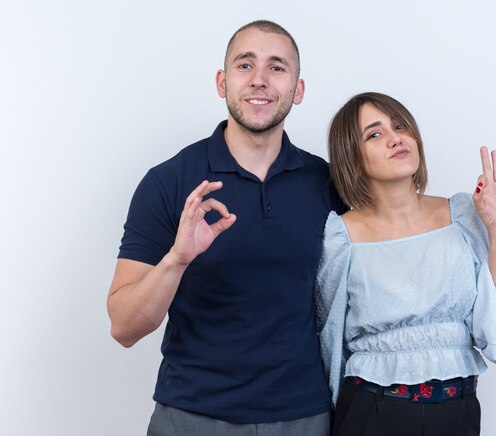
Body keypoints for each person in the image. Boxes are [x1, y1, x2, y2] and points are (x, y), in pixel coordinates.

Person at [107, 20, 344, 435]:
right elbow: (124, 327)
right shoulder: (169, 181)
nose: (259, 80)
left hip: (303, 417)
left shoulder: (326, 182)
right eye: (244, 65)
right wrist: (177, 259)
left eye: (276, 67)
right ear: (222, 82)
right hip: (190, 416)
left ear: (298, 89)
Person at [315, 92, 496, 436]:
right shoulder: (340, 237)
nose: (395, 138)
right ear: (352, 157)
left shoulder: (462, 216)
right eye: (375, 133)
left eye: (400, 126)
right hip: (372, 412)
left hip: (457, 411)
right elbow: (328, 342)